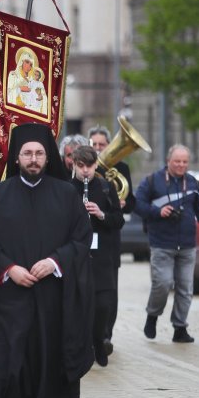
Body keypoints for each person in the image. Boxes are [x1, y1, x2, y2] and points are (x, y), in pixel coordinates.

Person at [0, 123, 93, 398]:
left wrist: (55, 262)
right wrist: (8, 268)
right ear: (17, 157)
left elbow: (81, 238)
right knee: (10, 360)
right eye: (27, 153)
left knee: (50, 361)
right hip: (11, 296)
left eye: (39, 153)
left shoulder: (66, 194)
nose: (34, 159)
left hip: (53, 297)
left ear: (47, 156)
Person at [135, 144, 199, 344]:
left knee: (186, 288)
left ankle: (179, 327)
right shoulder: (152, 181)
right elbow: (137, 204)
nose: (181, 165)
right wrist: (157, 212)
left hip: (187, 245)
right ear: (168, 161)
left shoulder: (193, 183)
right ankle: (152, 316)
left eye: (185, 162)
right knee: (163, 284)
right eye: (177, 161)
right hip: (161, 244)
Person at [70, 146, 123, 367]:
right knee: (78, 305)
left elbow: (118, 220)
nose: (85, 172)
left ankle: (98, 339)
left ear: (95, 166)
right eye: (80, 166)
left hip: (102, 256)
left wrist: (100, 214)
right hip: (76, 255)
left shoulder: (105, 186)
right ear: (74, 165)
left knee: (103, 304)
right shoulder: (66, 188)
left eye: (89, 167)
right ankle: (82, 346)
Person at [88, 124, 134, 355]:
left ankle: (106, 334)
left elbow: (131, 200)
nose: (98, 149)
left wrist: (122, 203)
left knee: (110, 290)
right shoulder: (83, 172)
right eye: (94, 145)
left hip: (109, 240)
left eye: (102, 145)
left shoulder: (121, 167)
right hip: (87, 242)